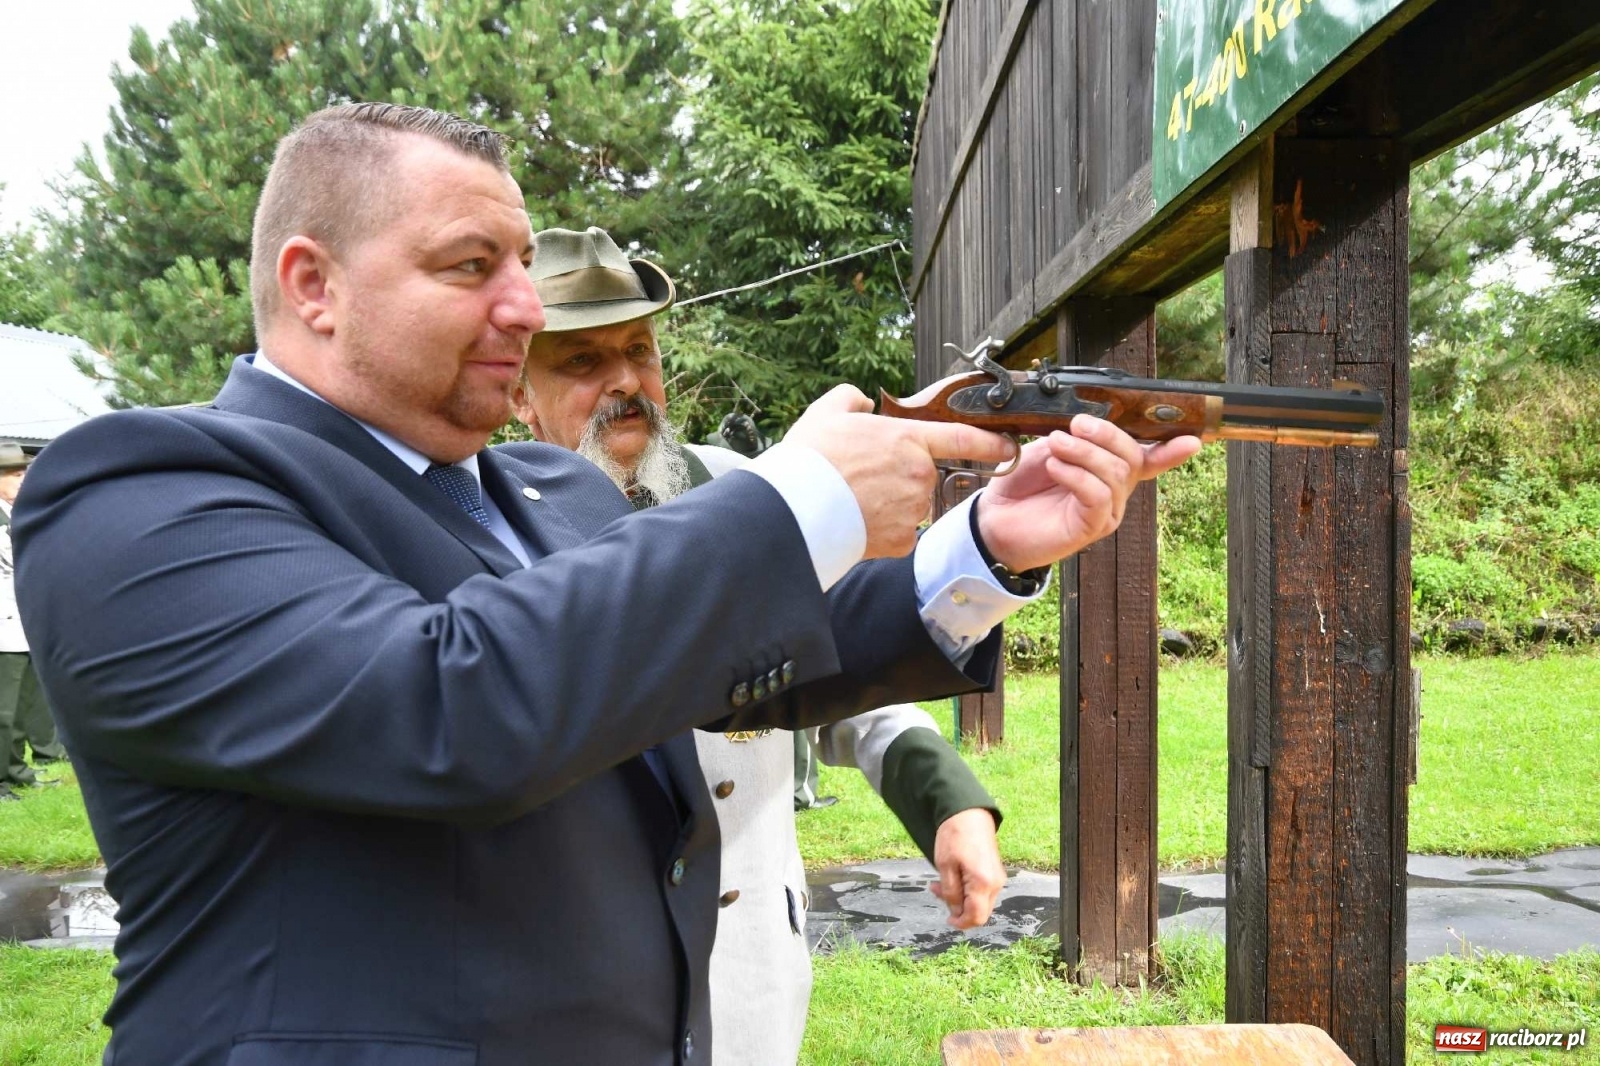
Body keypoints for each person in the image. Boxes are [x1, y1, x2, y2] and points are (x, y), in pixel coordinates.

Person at [12, 103, 1198, 1066]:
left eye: (522, 265)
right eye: (471, 265)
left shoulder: (544, 486)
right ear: (312, 284)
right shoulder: (140, 489)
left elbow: (748, 670)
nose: (523, 308)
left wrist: (989, 541)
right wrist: (797, 498)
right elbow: (445, 704)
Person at [512, 226, 1009, 1065]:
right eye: (582, 362)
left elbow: (843, 654)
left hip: (750, 961)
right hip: (580, 973)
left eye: (639, 350)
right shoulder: (500, 538)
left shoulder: (756, 490)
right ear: (518, 394)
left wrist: (947, 801)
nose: (626, 382)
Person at [0, 441, 62, 801]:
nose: (22, 480)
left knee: (21, 710)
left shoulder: (16, 513)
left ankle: (16, 771)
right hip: (3, 627)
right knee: (3, 713)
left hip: (21, 623)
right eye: (13, 474)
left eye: (23, 473)